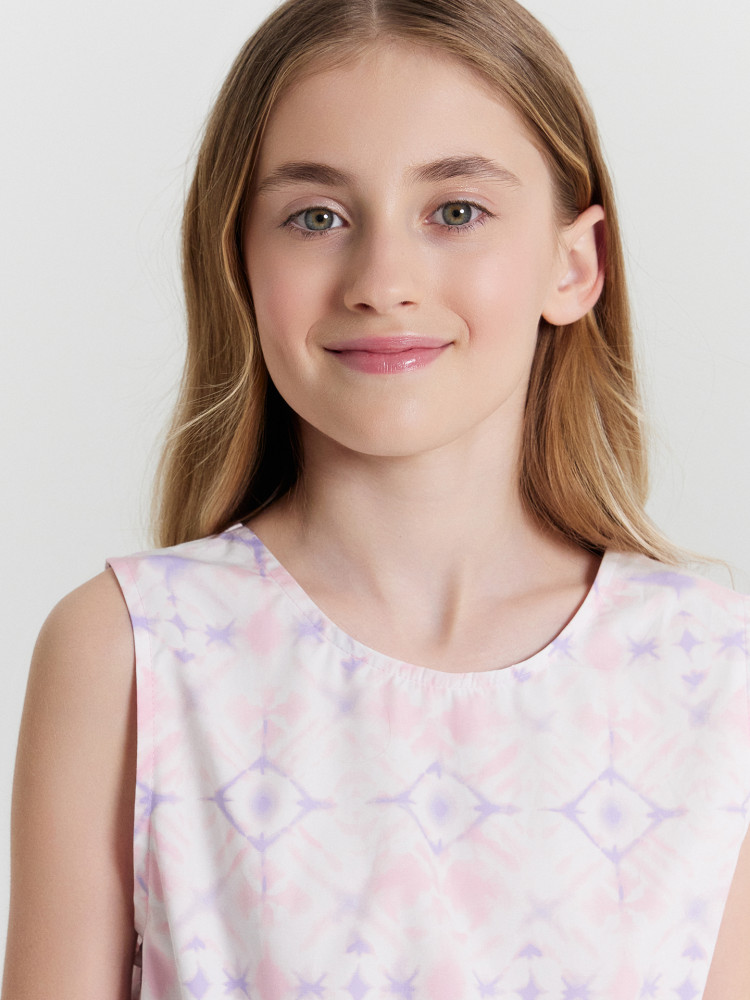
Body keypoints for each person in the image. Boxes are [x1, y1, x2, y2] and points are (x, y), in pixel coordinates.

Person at [3, 0, 749, 996]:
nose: (383, 280)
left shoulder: (718, 674)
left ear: (575, 265)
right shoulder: (126, 653)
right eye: (317, 217)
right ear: (238, 262)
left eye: (456, 211)